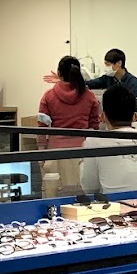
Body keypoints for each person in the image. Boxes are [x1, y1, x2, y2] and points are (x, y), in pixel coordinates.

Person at [80, 85, 137, 195]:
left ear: (103, 116)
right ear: (135, 116)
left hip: (118, 204)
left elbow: (89, 188)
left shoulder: (93, 142)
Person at [37, 55, 100, 193]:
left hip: (55, 155)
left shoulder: (48, 95)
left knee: (55, 196)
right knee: (83, 197)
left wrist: (41, 154)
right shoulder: (89, 96)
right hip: (82, 154)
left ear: (59, 74)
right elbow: (94, 127)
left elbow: (42, 128)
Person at [44, 49, 137, 99]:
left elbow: (136, 106)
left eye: (108, 64)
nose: (106, 68)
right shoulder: (108, 78)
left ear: (119, 63)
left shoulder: (134, 83)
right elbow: (89, 83)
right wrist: (67, 79)